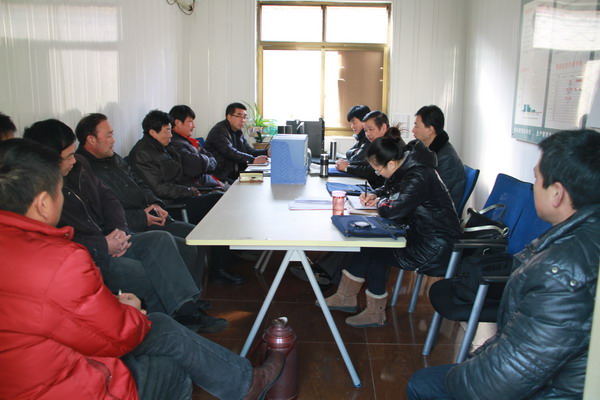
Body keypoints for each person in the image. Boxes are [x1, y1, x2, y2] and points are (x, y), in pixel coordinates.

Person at [0, 138, 284, 399]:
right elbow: (116, 335)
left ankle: (236, 371)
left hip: (34, 370)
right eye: (58, 191)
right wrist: (132, 310)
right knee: (172, 366)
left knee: (163, 291)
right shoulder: (60, 261)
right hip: (67, 384)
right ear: (43, 204)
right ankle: (245, 383)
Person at [406, 129, 600, 400]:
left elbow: (509, 374)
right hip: (556, 376)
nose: (534, 186)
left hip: (551, 390)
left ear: (557, 193)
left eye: (537, 178)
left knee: (423, 384)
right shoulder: (584, 237)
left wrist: (457, 375)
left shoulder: (561, 271)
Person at [24, 119, 228, 333]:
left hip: (117, 234)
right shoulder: (41, 194)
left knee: (164, 239)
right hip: (91, 253)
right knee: (147, 273)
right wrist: (103, 244)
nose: (73, 160)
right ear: (47, 159)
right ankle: (174, 322)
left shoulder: (82, 165)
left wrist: (120, 230)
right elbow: (58, 240)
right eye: (68, 156)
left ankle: (186, 307)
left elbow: (109, 198)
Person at [76, 112, 243, 286]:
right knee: (209, 210)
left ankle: (196, 291)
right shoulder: (87, 171)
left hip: (157, 210)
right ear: (91, 140)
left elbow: (141, 184)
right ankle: (199, 287)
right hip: (144, 219)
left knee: (197, 235)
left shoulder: (118, 157)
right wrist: (147, 214)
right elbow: (113, 210)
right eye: (109, 135)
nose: (113, 140)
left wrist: (156, 203)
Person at [320, 128, 461, 328]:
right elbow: (390, 187)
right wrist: (376, 194)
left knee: (378, 251)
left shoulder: (418, 176)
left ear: (392, 164)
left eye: (378, 170)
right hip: (421, 234)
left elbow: (392, 210)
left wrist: (380, 202)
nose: (378, 174)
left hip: (435, 246)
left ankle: (374, 313)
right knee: (370, 246)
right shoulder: (408, 166)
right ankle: (346, 297)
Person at [128, 110, 224, 225]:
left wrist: (192, 190)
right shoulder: (142, 154)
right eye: (167, 131)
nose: (171, 135)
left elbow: (179, 174)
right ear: (153, 132)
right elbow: (159, 188)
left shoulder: (164, 147)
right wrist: (188, 191)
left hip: (180, 196)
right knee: (217, 200)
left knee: (220, 197)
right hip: (169, 206)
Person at [412, 105, 466, 208]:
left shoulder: (446, 158)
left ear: (430, 130)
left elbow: (434, 195)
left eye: (416, 126)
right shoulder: (427, 149)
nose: (413, 130)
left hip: (438, 213)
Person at [204, 102, 270, 183]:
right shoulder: (219, 130)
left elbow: (248, 150)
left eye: (244, 117)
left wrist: (267, 152)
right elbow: (230, 152)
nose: (243, 120)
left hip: (235, 174)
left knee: (263, 179)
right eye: (239, 116)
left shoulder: (238, 132)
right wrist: (253, 160)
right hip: (221, 177)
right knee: (255, 183)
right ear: (229, 117)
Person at [169, 104, 225, 190]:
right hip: (199, 189)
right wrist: (206, 161)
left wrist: (204, 162)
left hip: (209, 182)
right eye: (190, 121)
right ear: (177, 123)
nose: (194, 126)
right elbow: (196, 167)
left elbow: (212, 160)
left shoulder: (190, 141)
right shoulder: (175, 144)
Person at [335, 110, 389, 188]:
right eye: (366, 130)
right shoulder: (379, 142)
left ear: (383, 127)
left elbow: (371, 172)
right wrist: (349, 164)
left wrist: (347, 168)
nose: (368, 134)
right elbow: (367, 163)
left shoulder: (389, 145)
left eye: (371, 129)